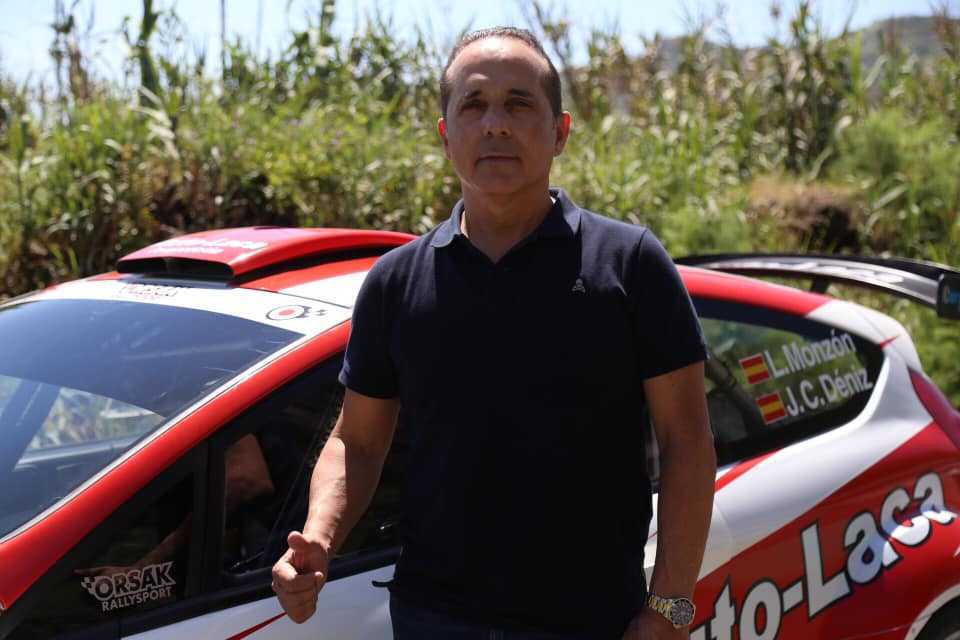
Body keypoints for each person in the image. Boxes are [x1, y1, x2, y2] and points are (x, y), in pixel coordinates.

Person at [271, 26, 716, 639]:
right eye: (474, 105)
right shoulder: (395, 282)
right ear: (445, 135)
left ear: (560, 132)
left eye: (519, 103)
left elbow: (687, 442)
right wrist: (319, 537)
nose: (495, 125)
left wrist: (670, 608)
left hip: (590, 621)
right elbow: (358, 443)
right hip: (432, 620)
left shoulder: (630, 264)